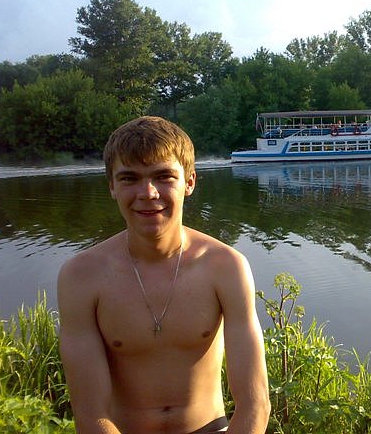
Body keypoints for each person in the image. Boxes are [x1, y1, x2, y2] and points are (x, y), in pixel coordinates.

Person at [58, 116, 271, 434]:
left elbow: (255, 404)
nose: (148, 193)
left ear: (189, 182)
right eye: (129, 178)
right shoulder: (81, 277)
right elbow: (90, 415)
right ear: (112, 186)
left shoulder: (226, 267)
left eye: (163, 177)